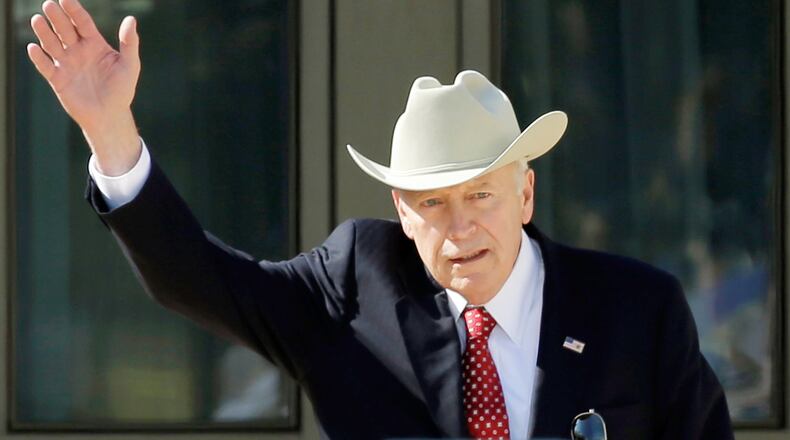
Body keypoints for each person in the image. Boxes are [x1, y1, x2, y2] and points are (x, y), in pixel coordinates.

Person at [27, 1, 734, 438]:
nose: (460, 228)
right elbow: (201, 280)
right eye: (433, 203)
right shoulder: (356, 285)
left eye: (481, 196)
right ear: (401, 211)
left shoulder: (636, 311)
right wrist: (110, 132)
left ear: (525, 195)